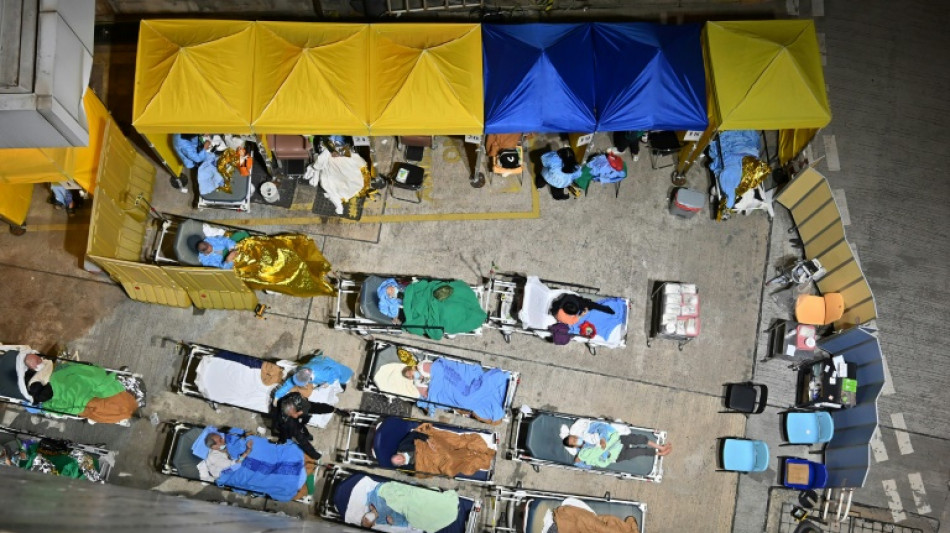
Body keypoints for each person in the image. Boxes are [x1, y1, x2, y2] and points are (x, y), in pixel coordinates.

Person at [271, 392, 347, 461]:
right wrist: (315, 455)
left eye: (294, 412)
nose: (294, 415)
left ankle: (335, 410)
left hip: (298, 411)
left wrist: (335, 410)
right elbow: (301, 439)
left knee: (319, 408)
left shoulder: (296, 398)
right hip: (286, 425)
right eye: (292, 414)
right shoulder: (285, 419)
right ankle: (284, 441)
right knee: (295, 434)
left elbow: (314, 407)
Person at [563, 421, 671, 469]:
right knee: (638, 452)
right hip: (615, 455)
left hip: (615, 441)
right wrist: (579, 461)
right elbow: (590, 465)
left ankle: (661, 447)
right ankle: (660, 453)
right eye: (573, 442)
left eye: (574, 437)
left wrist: (603, 439)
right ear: (574, 447)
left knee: (638, 439)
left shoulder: (587, 434)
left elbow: (601, 428)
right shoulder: (583, 453)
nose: (576, 439)